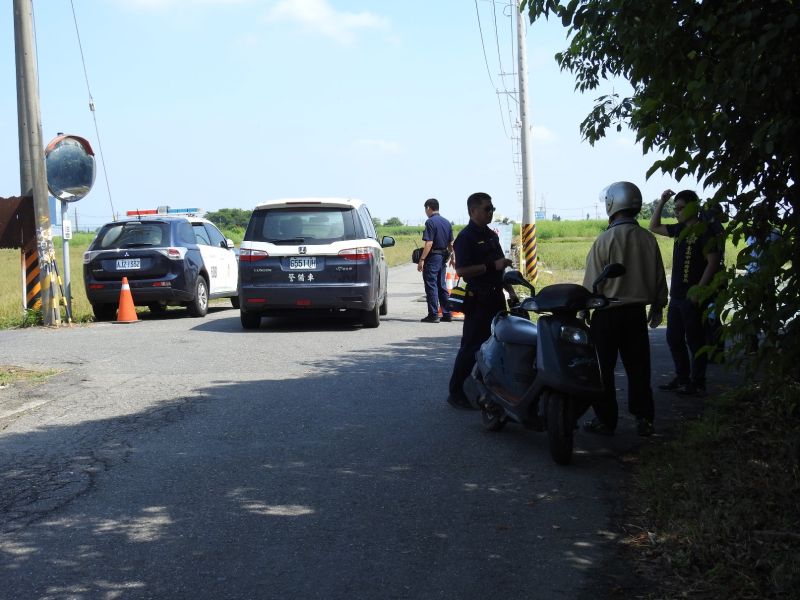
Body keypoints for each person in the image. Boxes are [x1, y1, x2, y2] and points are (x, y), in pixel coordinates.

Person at [582, 182, 668, 437]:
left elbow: (591, 282)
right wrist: (659, 306)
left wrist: (583, 310)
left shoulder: (605, 239)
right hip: (635, 315)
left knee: (603, 370)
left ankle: (606, 420)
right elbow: (659, 276)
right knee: (639, 368)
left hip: (607, 314)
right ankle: (644, 419)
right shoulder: (647, 238)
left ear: (612, 205)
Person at [447, 192, 517, 410]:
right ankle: (456, 391)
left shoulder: (491, 235)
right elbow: (461, 270)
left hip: (497, 297)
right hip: (478, 299)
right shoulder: (466, 237)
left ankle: (493, 390)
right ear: (473, 211)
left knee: (498, 345)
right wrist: (490, 267)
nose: (491, 212)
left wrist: (511, 292)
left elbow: (500, 267)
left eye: (492, 208)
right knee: (471, 347)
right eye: (487, 209)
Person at [650, 189, 721, 396]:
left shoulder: (704, 231)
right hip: (677, 295)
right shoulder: (680, 229)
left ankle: (697, 382)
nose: (677, 212)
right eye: (676, 208)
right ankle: (682, 378)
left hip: (694, 296)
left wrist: (700, 289)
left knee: (695, 340)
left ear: (693, 207)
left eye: (680, 208)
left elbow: (713, 261)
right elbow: (653, 226)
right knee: (673, 338)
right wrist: (662, 201)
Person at [417, 198, 454, 323]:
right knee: (441, 285)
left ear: (428, 208)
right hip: (443, 257)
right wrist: (453, 257)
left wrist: (422, 259)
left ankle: (433, 314)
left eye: (425, 209)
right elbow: (450, 244)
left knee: (431, 285)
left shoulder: (430, 222)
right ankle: (447, 313)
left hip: (433, 257)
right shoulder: (447, 222)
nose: (425, 212)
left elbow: (429, 243)